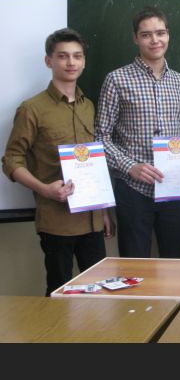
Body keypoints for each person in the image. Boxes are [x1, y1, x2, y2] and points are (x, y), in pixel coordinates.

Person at [2, 28, 114, 296]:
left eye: (77, 56)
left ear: (84, 61)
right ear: (48, 61)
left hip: (91, 219)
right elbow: (11, 159)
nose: (71, 62)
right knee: (58, 292)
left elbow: (94, 162)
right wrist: (44, 189)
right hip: (56, 221)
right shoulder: (32, 108)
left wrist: (104, 210)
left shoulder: (89, 106)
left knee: (99, 294)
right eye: (63, 56)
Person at [96, 6, 180, 258]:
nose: (154, 40)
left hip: (174, 188)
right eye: (146, 34)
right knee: (134, 266)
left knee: (175, 263)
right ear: (135, 38)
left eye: (160, 33)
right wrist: (130, 166)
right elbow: (100, 137)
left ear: (168, 35)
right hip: (133, 189)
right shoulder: (116, 80)